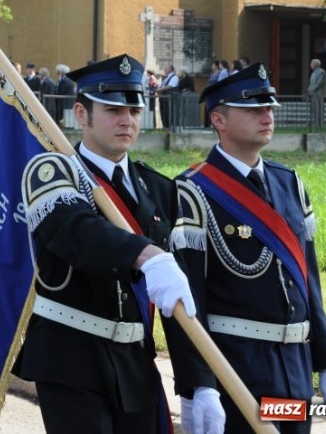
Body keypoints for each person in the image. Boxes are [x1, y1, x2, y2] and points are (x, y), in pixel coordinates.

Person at [12, 54, 215, 434]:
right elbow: (76, 232)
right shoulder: (53, 172)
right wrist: (147, 255)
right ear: (81, 113)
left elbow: (175, 293)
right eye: (113, 110)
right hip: (70, 358)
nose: (127, 120)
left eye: (134, 110)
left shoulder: (157, 188)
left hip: (135, 359)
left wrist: (197, 383)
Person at [170, 63, 326, 433]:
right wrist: (199, 384)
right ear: (218, 119)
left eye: (269, 108)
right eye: (253, 110)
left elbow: (309, 281)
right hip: (238, 368)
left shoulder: (289, 182)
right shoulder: (192, 190)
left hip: (294, 368)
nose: (266, 117)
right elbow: (188, 301)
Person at [156, 64, 179, 130]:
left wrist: (160, 89)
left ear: (171, 69)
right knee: (163, 113)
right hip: (163, 98)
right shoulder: (166, 77)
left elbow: (171, 86)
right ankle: (165, 127)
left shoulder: (174, 77)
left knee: (168, 113)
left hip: (169, 99)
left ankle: (169, 128)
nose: (165, 69)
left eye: (166, 68)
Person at [307, 58, 326, 127]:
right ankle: (315, 122)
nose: (310, 65)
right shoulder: (313, 73)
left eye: (311, 63)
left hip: (319, 93)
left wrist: (313, 89)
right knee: (314, 109)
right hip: (313, 94)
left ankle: (320, 123)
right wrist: (309, 89)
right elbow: (312, 83)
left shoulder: (322, 72)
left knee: (319, 109)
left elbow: (320, 82)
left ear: (315, 64)